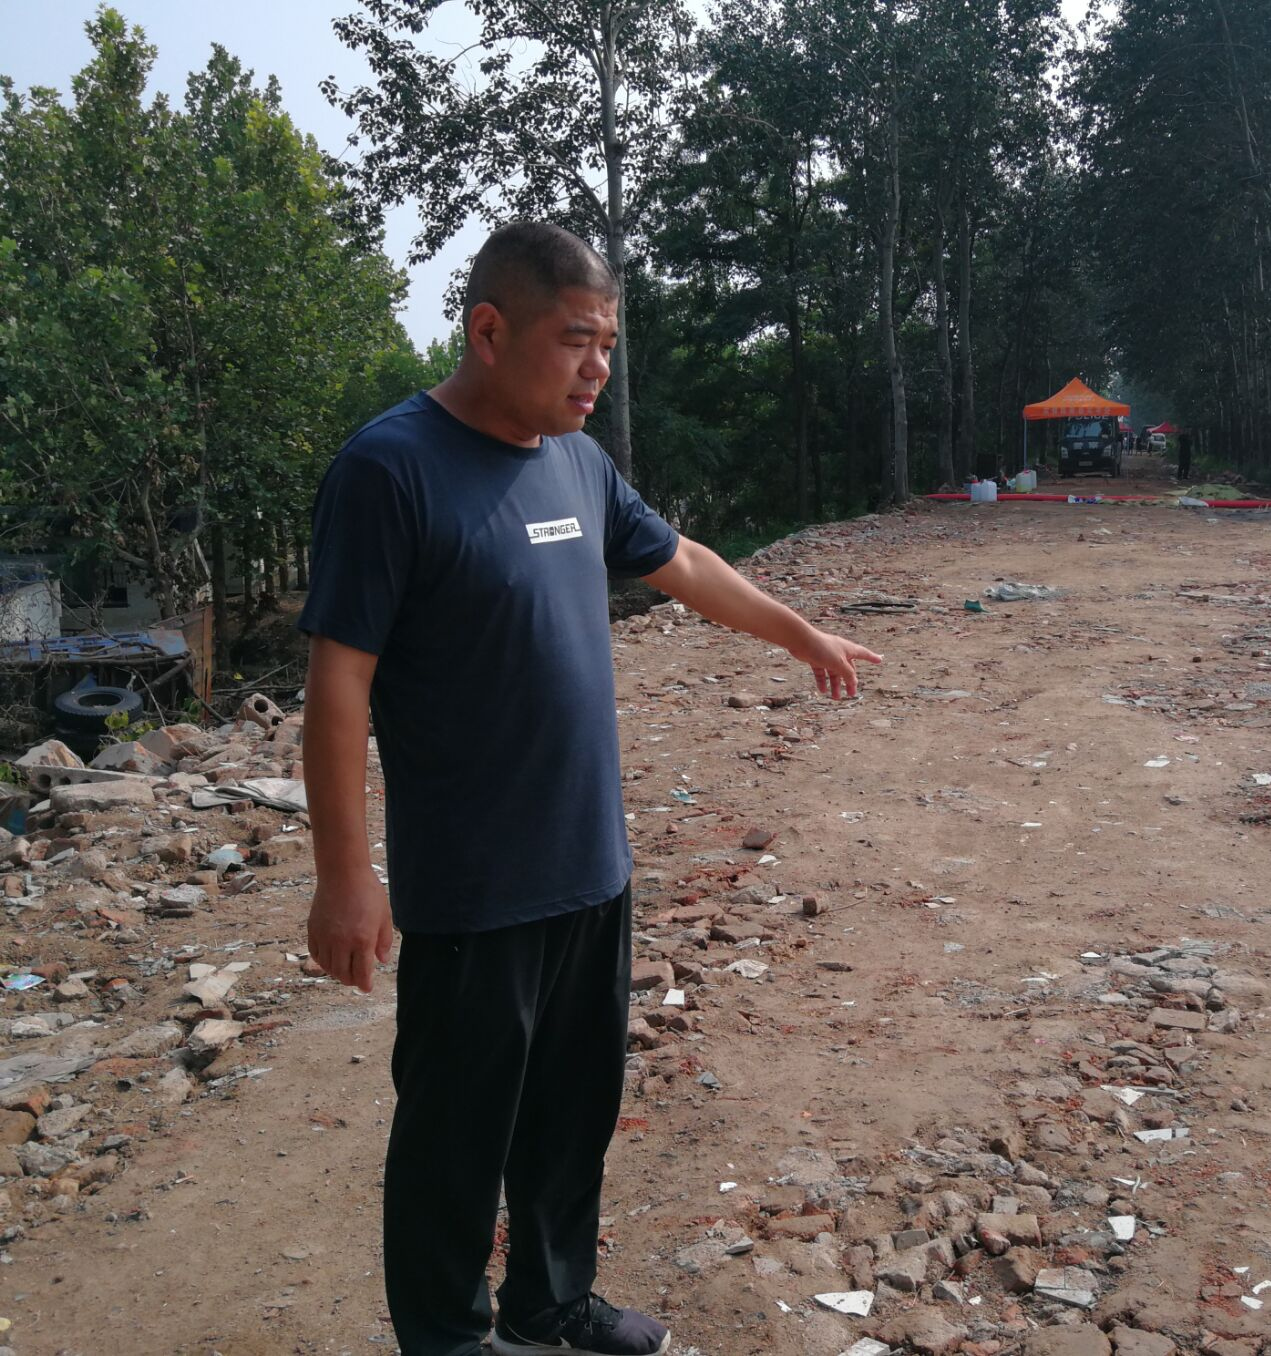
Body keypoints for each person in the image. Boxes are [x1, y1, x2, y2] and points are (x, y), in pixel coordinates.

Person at [298, 221, 882, 1356]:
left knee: (572, 1113)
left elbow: (682, 561)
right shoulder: (390, 469)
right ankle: (447, 1336)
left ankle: (551, 1300)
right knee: (456, 1132)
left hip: (589, 867)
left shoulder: (575, 463)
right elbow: (338, 683)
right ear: (488, 330)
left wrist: (798, 632)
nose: (597, 368)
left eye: (608, 345)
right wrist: (344, 877)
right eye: (576, 341)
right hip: (474, 888)